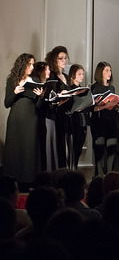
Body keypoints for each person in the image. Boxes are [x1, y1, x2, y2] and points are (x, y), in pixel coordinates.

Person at [3, 53, 43, 188]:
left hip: (31, 119)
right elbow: (7, 103)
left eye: (33, 64)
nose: (32, 67)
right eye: (29, 64)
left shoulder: (36, 80)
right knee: (15, 150)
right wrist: (15, 92)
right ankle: (12, 180)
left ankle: (28, 181)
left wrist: (40, 97)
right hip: (15, 120)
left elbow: (39, 107)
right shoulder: (12, 80)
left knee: (29, 151)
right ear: (22, 64)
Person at [90, 61, 119, 176]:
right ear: (100, 72)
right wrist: (103, 105)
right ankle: (100, 176)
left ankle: (109, 175)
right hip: (99, 122)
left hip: (111, 121)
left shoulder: (112, 87)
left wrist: (116, 105)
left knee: (112, 148)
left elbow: (112, 106)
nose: (109, 73)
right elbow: (92, 107)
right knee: (99, 150)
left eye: (110, 70)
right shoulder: (94, 87)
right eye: (106, 70)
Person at [45, 46, 70, 168]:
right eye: (61, 58)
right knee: (58, 147)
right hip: (55, 116)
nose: (64, 60)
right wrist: (60, 96)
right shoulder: (52, 76)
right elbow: (49, 97)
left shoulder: (66, 76)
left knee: (65, 148)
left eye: (65, 58)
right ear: (54, 60)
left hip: (66, 115)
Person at [32, 61, 57, 172]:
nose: (49, 71)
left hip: (51, 117)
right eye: (46, 69)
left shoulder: (50, 84)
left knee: (51, 147)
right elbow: (36, 106)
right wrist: (42, 97)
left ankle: (51, 173)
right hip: (41, 119)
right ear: (40, 71)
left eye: (49, 69)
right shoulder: (36, 85)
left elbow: (51, 103)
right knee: (43, 147)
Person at [67, 64, 89, 168]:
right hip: (74, 122)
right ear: (72, 75)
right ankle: (72, 171)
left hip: (83, 122)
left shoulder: (84, 90)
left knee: (79, 149)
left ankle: (74, 169)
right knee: (73, 150)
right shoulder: (70, 89)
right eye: (79, 74)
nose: (82, 76)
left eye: (83, 74)